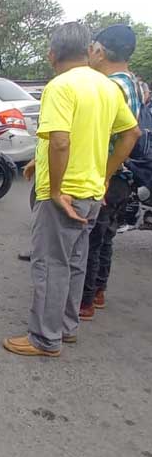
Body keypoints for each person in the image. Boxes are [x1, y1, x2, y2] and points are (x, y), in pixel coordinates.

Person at [3, 22, 140, 357]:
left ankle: (44, 339)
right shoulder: (108, 87)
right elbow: (131, 134)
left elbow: (61, 141)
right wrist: (105, 176)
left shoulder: (59, 87)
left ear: (53, 54)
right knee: (75, 262)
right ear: (86, 51)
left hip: (65, 195)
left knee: (50, 264)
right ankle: (66, 327)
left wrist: (55, 190)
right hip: (92, 192)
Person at [79, 25, 144, 320]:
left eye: (92, 48)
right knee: (106, 235)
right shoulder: (134, 83)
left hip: (109, 172)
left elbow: (125, 134)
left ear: (100, 51)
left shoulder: (110, 87)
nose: (89, 53)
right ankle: (99, 291)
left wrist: (103, 175)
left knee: (91, 239)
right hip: (125, 174)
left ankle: (84, 301)